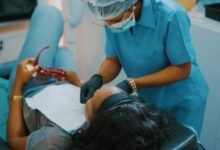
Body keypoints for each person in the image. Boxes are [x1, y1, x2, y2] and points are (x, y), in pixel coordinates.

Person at [6, 4, 171, 150]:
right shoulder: (111, 124)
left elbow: (14, 140)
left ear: (93, 122)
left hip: (31, 88)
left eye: (93, 97)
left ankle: (12, 72)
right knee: (63, 52)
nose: (92, 93)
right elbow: (110, 66)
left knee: (49, 12)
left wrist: (17, 84)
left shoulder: (54, 140)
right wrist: (77, 82)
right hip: (63, 84)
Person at [81, 0, 209, 136]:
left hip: (181, 100)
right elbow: (113, 60)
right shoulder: (111, 12)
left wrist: (132, 84)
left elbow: (182, 69)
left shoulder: (170, 15)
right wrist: (98, 78)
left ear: (134, 5)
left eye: (115, 20)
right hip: (149, 99)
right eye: (107, 22)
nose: (111, 25)